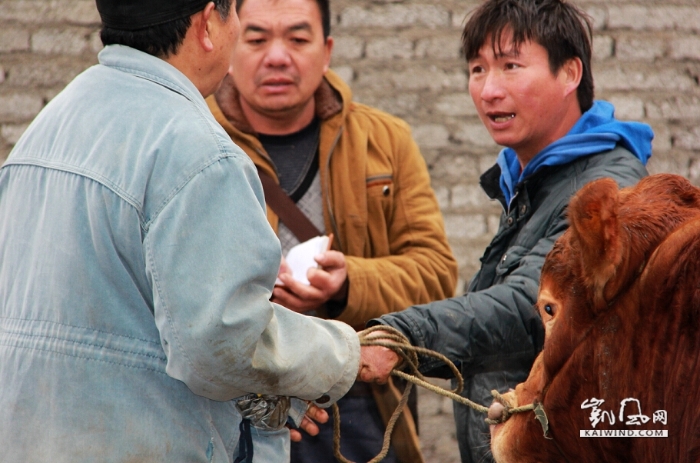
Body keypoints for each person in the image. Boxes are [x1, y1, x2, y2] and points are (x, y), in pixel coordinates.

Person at [0, 0, 399, 462]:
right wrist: (344, 354)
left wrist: (272, 396)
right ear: (209, 22)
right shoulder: (197, 150)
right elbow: (222, 345)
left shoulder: (49, 125)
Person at [366, 0, 654, 462]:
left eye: (511, 66)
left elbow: (532, 304)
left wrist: (402, 335)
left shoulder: (605, 190)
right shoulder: (532, 179)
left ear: (569, 74)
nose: (489, 89)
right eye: (477, 69)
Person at [205, 0, 458, 460]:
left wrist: (346, 286)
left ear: (327, 50)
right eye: (257, 39)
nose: (277, 56)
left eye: (298, 39)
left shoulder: (385, 141)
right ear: (228, 44)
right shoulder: (196, 140)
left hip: (358, 406)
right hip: (233, 410)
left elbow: (436, 271)